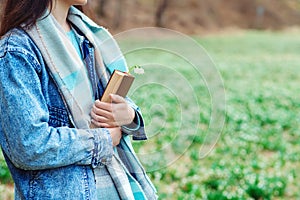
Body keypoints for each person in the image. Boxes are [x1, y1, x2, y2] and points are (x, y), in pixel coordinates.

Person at [0, 0, 157, 199]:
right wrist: (104, 140)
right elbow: (29, 145)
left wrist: (128, 115)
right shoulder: (16, 51)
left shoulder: (88, 36)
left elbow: (114, 103)